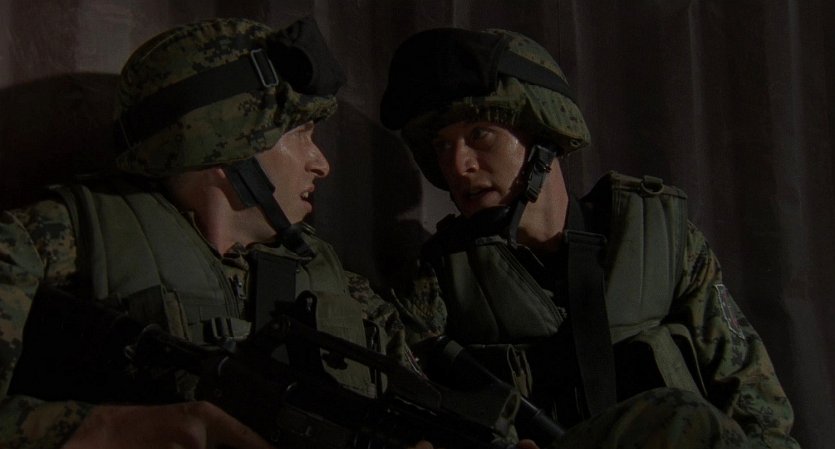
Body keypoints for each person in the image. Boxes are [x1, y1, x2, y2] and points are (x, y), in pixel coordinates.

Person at [0, 17, 412, 449]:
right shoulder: (54, 237)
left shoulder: (336, 279)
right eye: (300, 134)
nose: (321, 164)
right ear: (228, 144)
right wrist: (107, 429)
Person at [379, 27, 801, 449]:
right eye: (442, 146)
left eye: (479, 134)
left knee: (684, 418)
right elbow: (410, 404)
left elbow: (757, 405)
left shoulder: (659, 240)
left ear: (543, 132)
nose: (459, 165)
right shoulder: (440, 277)